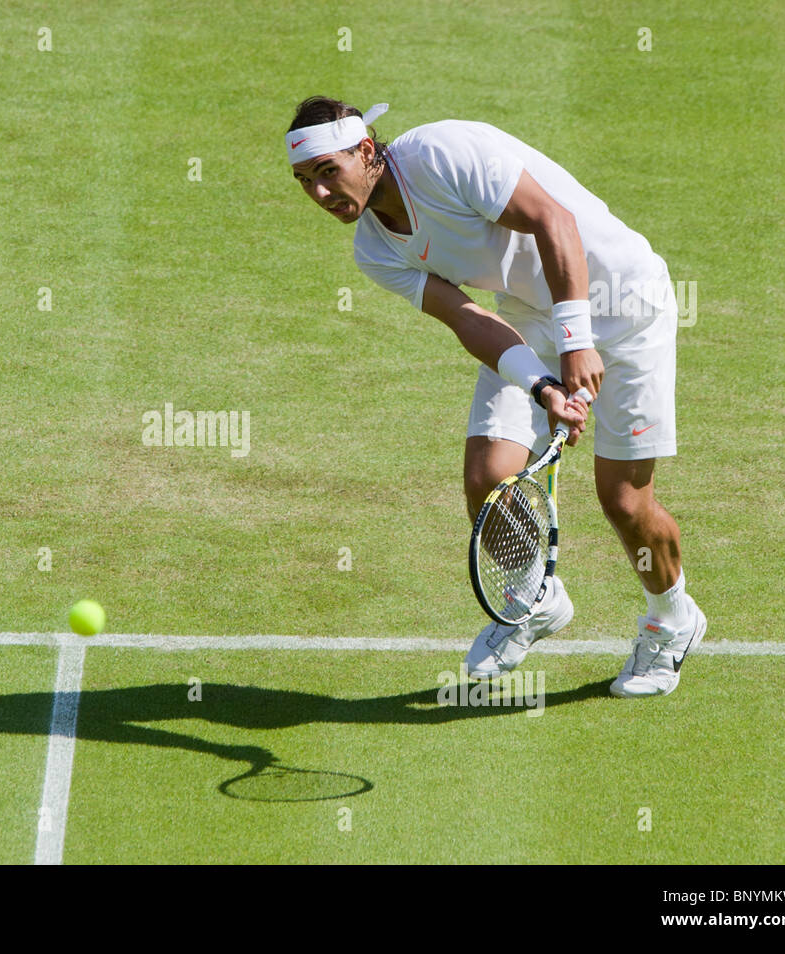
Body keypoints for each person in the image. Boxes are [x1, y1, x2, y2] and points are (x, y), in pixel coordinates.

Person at [286, 96, 705, 697]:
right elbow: (469, 321)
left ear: (367, 151)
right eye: (306, 182)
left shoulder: (442, 153)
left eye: (329, 171)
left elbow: (553, 221)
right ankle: (537, 598)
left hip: (624, 301)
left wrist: (577, 341)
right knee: (488, 477)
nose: (322, 195)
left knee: (625, 501)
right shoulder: (375, 250)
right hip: (530, 316)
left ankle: (672, 621)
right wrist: (541, 384)